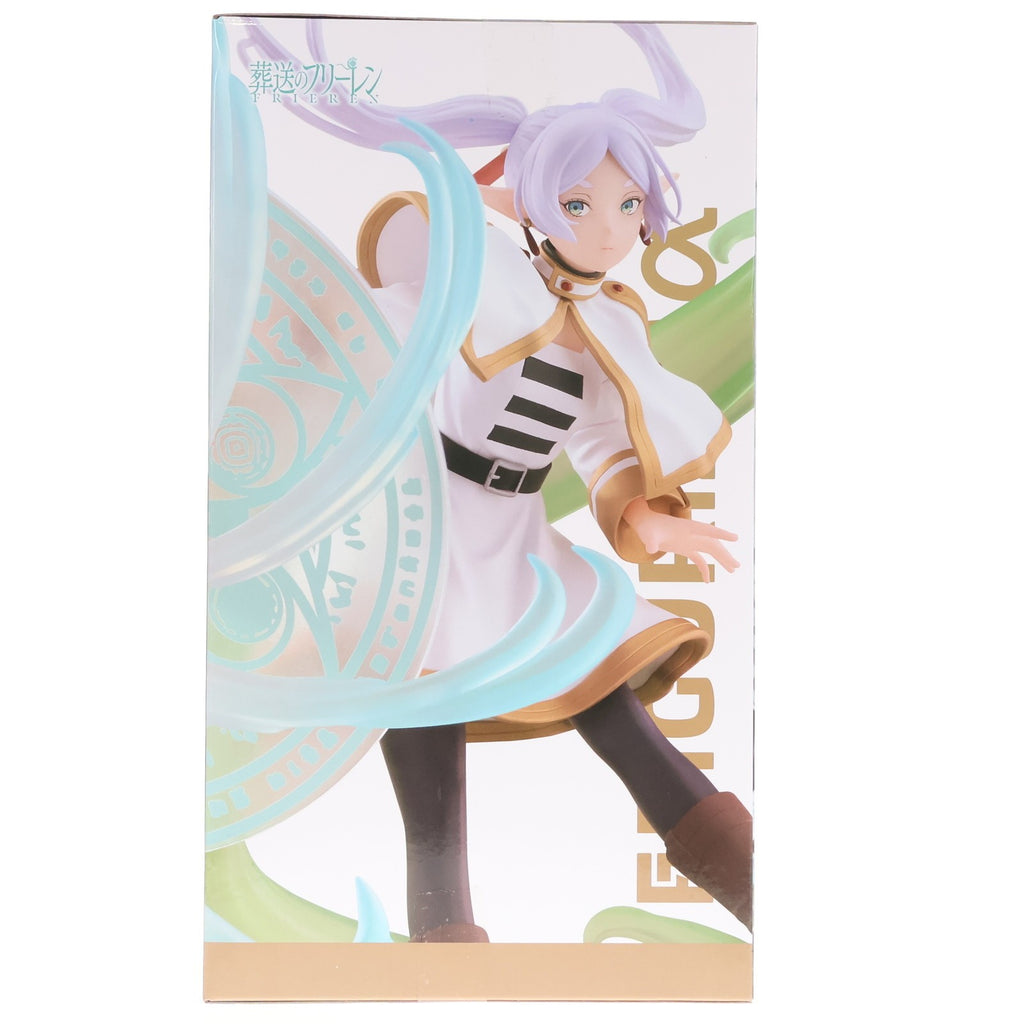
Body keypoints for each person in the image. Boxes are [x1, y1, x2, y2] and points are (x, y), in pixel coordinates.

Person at [244, 20, 753, 942]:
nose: (609, 228)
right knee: (424, 717)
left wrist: (650, 517)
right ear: (515, 194)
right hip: (424, 534)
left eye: (628, 204)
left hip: (519, 544)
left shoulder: (609, 322)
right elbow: (355, 341)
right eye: (578, 202)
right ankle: (444, 938)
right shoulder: (463, 279)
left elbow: (600, 444)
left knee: (609, 699)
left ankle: (759, 889)